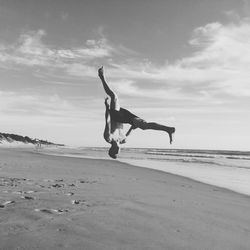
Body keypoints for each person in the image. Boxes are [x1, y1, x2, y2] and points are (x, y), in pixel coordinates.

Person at [98, 66, 175, 159]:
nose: (119, 151)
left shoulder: (108, 138)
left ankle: (102, 77)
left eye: (117, 153)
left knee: (114, 96)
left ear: (113, 150)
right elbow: (127, 135)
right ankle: (168, 130)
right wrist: (132, 128)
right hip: (124, 118)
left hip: (115, 116)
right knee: (144, 125)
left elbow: (107, 122)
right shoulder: (122, 140)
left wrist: (107, 108)